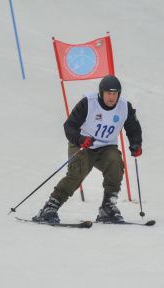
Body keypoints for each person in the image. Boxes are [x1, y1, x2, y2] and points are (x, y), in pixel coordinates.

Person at [33, 75, 142, 224]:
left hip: (106, 146)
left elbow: (133, 128)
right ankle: (50, 207)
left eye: (115, 94)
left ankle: (108, 207)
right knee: (78, 170)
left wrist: (136, 144)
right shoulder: (88, 103)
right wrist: (80, 139)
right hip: (83, 144)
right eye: (108, 93)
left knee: (115, 163)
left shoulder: (124, 107)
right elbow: (69, 126)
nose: (111, 97)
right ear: (101, 93)